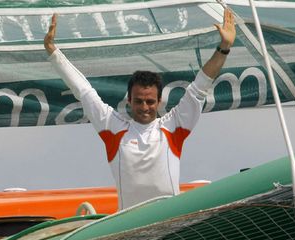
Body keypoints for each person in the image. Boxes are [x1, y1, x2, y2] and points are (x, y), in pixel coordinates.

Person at [44, 9, 236, 210]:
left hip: (169, 223)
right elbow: (83, 91)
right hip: (129, 226)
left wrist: (224, 47)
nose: (145, 107)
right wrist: (52, 51)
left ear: (160, 102)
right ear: (129, 101)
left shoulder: (173, 125)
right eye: (139, 101)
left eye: (150, 102)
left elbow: (200, 87)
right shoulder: (113, 127)